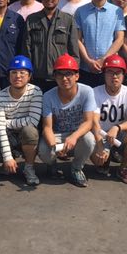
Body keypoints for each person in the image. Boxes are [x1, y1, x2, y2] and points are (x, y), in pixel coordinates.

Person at [38, 54, 97, 187]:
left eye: (69, 74)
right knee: (44, 149)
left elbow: (88, 122)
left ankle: (76, 168)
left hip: (78, 133)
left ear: (77, 76)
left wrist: (74, 137)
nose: (64, 78)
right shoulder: (48, 96)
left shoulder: (87, 91)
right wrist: (54, 146)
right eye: (60, 74)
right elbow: (47, 127)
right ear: (54, 77)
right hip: (58, 134)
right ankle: (52, 164)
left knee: (89, 139)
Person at [90, 55, 127, 184]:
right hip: (100, 135)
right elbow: (94, 121)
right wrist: (100, 145)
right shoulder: (94, 92)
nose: (114, 76)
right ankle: (104, 163)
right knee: (97, 157)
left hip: (120, 135)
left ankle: (123, 168)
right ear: (104, 74)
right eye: (110, 72)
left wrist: (117, 127)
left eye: (118, 72)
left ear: (123, 75)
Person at [22, 0, 79, 92]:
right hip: (37, 78)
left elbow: (74, 52)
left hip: (61, 78)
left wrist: (72, 75)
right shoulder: (32, 20)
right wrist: (27, 72)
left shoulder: (68, 20)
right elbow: (26, 49)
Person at [0, 55, 43, 186]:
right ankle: (8, 162)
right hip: (9, 134)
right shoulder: (0, 96)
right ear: (8, 76)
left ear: (29, 76)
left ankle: (29, 168)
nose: (18, 76)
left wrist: (7, 123)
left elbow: (33, 121)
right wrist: (7, 158)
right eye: (14, 72)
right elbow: (0, 128)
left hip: (23, 132)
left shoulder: (35, 92)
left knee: (30, 131)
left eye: (22, 72)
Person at [74, 0, 126, 88]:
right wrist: (88, 60)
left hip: (109, 68)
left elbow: (119, 39)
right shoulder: (81, 11)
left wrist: (104, 59)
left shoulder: (116, 11)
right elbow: (77, 39)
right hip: (86, 68)